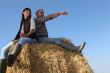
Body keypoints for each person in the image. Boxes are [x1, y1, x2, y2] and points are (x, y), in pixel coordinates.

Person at [0, 8, 36, 73]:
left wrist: (26, 35)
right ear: (23, 12)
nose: (29, 12)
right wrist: (15, 39)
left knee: (22, 40)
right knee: (3, 50)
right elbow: (21, 33)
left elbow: (32, 30)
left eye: (30, 11)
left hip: (32, 39)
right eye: (27, 11)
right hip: (23, 39)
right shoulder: (22, 23)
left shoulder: (32, 19)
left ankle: (11, 59)